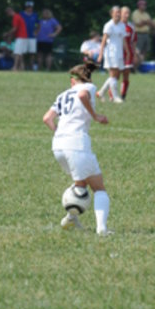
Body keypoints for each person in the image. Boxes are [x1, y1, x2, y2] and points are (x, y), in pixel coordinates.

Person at [42, 61, 112, 236]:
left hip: (58, 145)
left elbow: (47, 119)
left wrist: (59, 133)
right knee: (99, 188)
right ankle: (102, 229)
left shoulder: (62, 95)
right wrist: (95, 116)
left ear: (72, 80)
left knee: (80, 183)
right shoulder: (88, 87)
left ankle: (71, 219)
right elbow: (82, 95)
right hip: (77, 144)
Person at [97, 6, 128, 104]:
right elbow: (104, 40)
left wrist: (127, 51)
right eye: (116, 12)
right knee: (113, 74)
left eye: (119, 12)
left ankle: (101, 92)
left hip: (119, 52)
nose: (118, 14)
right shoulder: (108, 25)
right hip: (111, 52)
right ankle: (115, 97)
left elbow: (123, 39)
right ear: (111, 14)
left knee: (115, 75)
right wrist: (100, 54)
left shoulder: (122, 25)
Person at [131, 0, 154, 67]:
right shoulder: (135, 13)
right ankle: (135, 66)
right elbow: (138, 24)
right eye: (143, 5)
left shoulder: (146, 14)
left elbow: (152, 25)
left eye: (145, 5)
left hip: (146, 34)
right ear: (139, 5)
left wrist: (145, 22)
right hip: (139, 34)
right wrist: (147, 22)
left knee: (145, 51)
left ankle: (141, 65)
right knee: (137, 51)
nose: (144, 6)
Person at [120, 6, 137, 99]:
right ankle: (112, 95)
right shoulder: (117, 25)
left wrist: (133, 54)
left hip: (128, 53)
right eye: (125, 13)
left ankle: (123, 95)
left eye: (128, 13)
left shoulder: (131, 27)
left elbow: (134, 41)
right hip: (118, 52)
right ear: (120, 13)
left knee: (126, 74)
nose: (127, 15)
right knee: (115, 75)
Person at [5, 6, 28, 71]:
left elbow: (14, 29)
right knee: (20, 53)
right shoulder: (18, 16)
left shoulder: (15, 17)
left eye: (7, 13)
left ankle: (15, 67)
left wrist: (7, 34)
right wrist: (10, 37)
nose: (7, 15)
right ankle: (22, 67)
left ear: (10, 11)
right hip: (24, 36)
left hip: (20, 37)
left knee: (17, 52)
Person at [20, 1, 39, 70]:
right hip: (23, 36)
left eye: (30, 7)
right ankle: (23, 66)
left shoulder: (35, 15)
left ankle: (31, 67)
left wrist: (36, 32)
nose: (29, 8)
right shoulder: (21, 14)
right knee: (23, 52)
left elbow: (38, 24)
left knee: (32, 53)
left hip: (32, 37)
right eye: (28, 7)